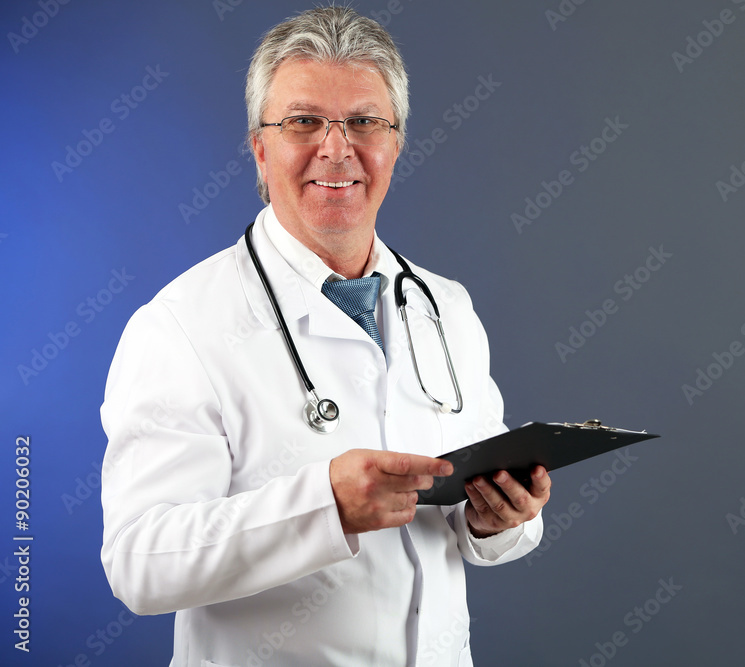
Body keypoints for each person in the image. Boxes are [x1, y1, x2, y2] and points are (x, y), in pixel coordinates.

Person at [100, 6, 550, 666]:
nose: (336, 149)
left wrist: (496, 517)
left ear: (395, 143)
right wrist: (324, 506)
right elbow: (140, 563)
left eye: (365, 121)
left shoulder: (446, 307)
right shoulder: (180, 325)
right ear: (260, 146)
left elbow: (461, 527)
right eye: (303, 121)